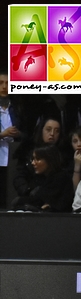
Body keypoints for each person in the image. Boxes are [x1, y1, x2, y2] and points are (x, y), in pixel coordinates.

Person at [10, 145, 73, 212]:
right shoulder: (39, 178)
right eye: (33, 159)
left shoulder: (61, 178)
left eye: (38, 159)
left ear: (49, 160)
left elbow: (40, 200)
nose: (33, 163)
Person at [0, 73, 22, 209]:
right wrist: (2, 134)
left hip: (12, 158)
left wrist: (18, 134)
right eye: (1, 83)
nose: (4, 87)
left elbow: (27, 134)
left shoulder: (17, 108)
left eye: (7, 83)